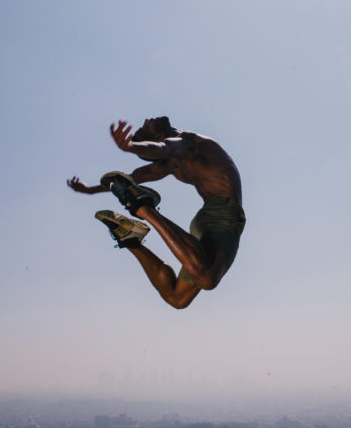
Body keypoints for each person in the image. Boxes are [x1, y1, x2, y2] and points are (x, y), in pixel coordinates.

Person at [67, 117, 245, 309]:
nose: (146, 119)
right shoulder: (186, 143)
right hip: (223, 214)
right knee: (207, 279)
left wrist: (90, 190)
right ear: (157, 136)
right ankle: (145, 210)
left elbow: (129, 179)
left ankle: (131, 239)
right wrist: (130, 147)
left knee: (177, 298)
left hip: (203, 222)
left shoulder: (174, 160)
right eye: (146, 126)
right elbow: (163, 149)